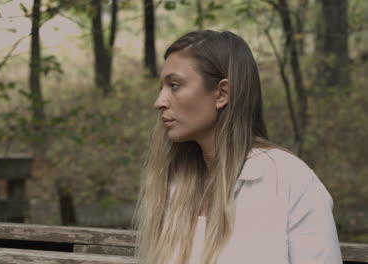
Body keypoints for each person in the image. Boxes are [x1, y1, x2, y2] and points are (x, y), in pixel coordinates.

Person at [132, 30, 343, 264]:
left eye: (174, 85)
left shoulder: (289, 181)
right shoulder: (173, 183)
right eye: (161, 88)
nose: (159, 101)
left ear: (222, 93)